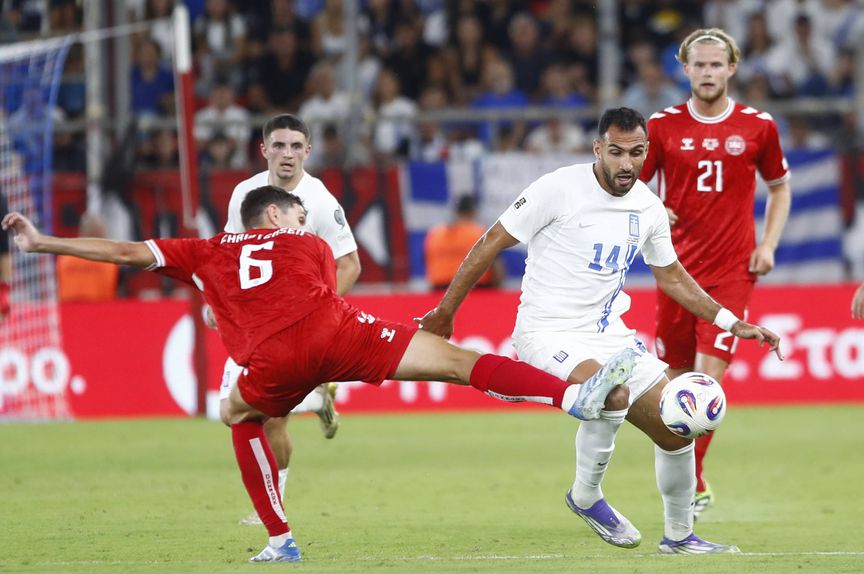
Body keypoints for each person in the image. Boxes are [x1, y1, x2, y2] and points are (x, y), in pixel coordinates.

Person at [3, 186, 636, 563]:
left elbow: (121, 253)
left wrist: (41, 243)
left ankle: (280, 539)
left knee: (237, 413)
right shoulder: (309, 244)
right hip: (340, 332)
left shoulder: (204, 251)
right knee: (459, 363)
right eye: (297, 214)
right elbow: (319, 284)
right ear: (276, 217)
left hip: (274, 357)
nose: (304, 223)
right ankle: (570, 396)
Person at [417, 107, 783, 555]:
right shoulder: (558, 188)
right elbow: (492, 240)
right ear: (598, 149)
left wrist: (730, 321)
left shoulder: (647, 206)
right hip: (547, 333)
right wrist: (446, 311)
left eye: (636, 153)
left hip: (611, 337)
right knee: (611, 393)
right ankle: (586, 495)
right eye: (617, 152)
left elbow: (671, 276)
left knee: (676, 428)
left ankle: (680, 537)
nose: (627, 163)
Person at [639, 28, 792, 520]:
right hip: (675, 273)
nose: (707, 72)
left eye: (716, 64)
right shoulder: (661, 126)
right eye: (699, 65)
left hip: (731, 272)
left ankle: (689, 487)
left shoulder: (758, 126)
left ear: (732, 68)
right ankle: (692, 477)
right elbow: (629, 187)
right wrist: (654, 207)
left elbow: (780, 187)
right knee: (674, 384)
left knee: (706, 383)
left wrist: (768, 244)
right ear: (685, 69)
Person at [220, 113, 361, 526]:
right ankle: (316, 400)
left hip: (296, 325)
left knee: (270, 416)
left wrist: (316, 312)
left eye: (296, 146)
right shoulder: (244, 194)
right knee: (231, 412)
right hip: (256, 322)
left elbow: (350, 264)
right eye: (279, 145)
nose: (287, 154)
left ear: (308, 151)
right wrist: (218, 299)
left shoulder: (320, 203)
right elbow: (229, 252)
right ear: (263, 149)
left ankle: (273, 502)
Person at [424, 195, 503, 291]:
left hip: (439, 291)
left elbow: (427, 263)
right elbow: (496, 267)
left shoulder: (435, 234)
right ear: (473, 211)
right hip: (476, 291)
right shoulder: (479, 233)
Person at [56, 212, 119, 302]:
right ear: (98, 233)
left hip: (69, 309)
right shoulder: (109, 259)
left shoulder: (64, 258)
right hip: (101, 308)